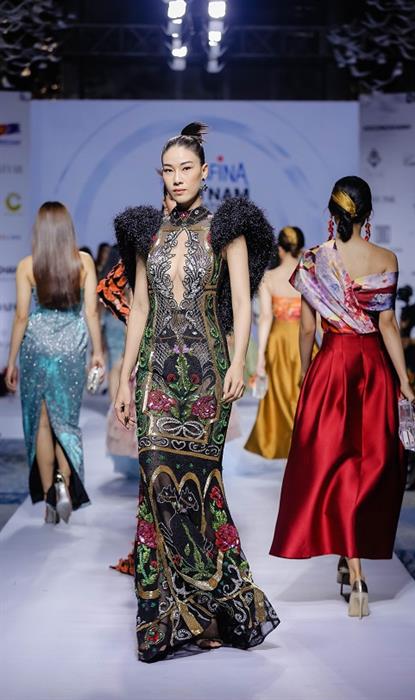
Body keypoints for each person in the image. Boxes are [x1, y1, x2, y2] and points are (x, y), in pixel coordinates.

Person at [113, 122, 279, 661]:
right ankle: (176, 613)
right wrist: (125, 375)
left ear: (205, 172)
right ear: (160, 175)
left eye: (186, 168)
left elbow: (243, 302)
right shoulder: (147, 231)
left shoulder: (226, 230)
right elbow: (140, 308)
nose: (178, 178)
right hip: (155, 374)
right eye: (169, 170)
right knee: (157, 482)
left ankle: (210, 610)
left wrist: (240, 362)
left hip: (207, 372)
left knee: (201, 488)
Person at [270, 176, 415, 618]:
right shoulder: (386, 258)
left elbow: (307, 330)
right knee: (367, 465)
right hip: (374, 368)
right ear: (368, 214)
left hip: (332, 367)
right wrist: (404, 382)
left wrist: (306, 373)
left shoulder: (314, 260)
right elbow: (387, 325)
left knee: (333, 464)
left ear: (332, 214)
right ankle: (351, 562)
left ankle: (355, 575)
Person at [5, 202, 105, 524]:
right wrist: (98, 352)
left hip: (36, 345)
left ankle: (50, 498)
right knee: (67, 423)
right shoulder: (84, 262)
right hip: (71, 346)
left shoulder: (27, 266)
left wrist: (10, 361)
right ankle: (64, 484)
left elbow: (22, 316)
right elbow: (91, 312)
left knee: (42, 423)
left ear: (40, 230)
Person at [244, 226, 305, 459]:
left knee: (281, 395)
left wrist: (260, 359)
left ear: (280, 249)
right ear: (300, 248)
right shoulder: (308, 275)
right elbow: (318, 320)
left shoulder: (269, 278)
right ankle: (306, 442)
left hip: (278, 343)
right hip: (303, 340)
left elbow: (266, 318)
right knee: (304, 395)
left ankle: (287, 444)